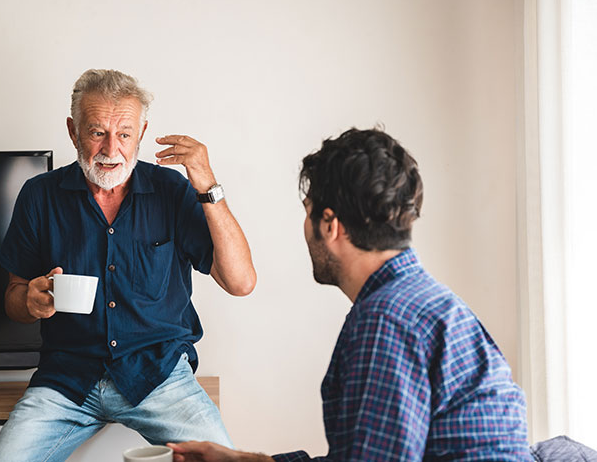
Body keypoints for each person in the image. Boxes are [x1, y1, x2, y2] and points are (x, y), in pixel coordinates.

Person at [168, 128, 533, 461]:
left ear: (330, 225)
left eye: (308, 213)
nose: (306, 228)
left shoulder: (386, 323)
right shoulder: (422, 301)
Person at [0, 69, 256, 461]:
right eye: (97, 132)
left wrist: (206, 183)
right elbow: (13, 295)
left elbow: (241, 282)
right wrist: (29, 301)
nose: (112, 149)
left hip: (160, 377)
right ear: (73, 131)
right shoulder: (39, 195)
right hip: (66, 382)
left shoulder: (172, 191)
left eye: (125, 134)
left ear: (142, 134)